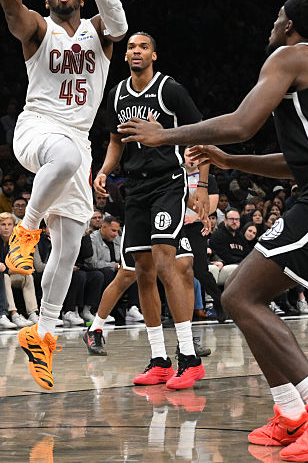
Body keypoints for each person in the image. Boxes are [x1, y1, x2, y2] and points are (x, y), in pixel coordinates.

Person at [121, 0, 308, 460]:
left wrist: (165, 134)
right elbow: (295, 164)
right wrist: (230, 161)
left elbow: (243, 121)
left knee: (240, 296)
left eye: (277, 16)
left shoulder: (292, 54)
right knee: (241, 296)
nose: (272, 23)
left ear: (290, 25)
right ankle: (289, 413)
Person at [0, 0, 127, 390]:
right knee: (66, 157)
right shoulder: (38, 29)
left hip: (78, 140)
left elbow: (119, 21)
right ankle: (25, 233)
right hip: (38, 129)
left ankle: (43, 332)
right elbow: (11, 7)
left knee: (71, 245)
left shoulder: (99, 33)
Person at [92, 32, 208, 389]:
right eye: (130, 47)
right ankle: (159, 358)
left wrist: (201, 185)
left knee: (164, 262)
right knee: (141, 269)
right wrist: (104, 170)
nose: (135, 51)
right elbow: (115, 140)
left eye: (142, 47)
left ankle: (188, 358)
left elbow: (201, 133)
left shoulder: (169, 90)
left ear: (154, 55)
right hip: (135, 186)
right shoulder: (118, 94)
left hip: (168, 182)